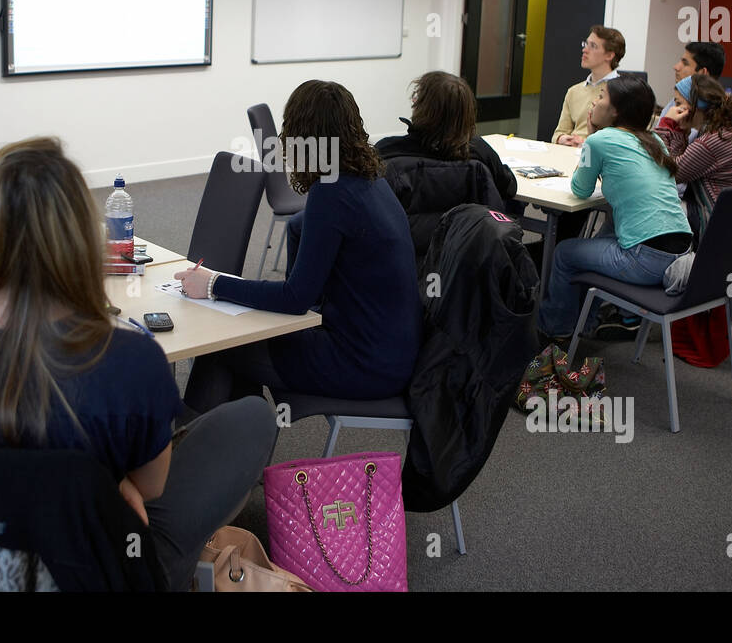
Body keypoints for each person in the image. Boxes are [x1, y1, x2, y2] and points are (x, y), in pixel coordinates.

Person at [0, 137, 277, 591]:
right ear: (80, 235)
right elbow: (150, 487)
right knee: (252, 418)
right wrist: (109, 487)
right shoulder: (131, 361)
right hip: (91, 572)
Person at [178, 80, 422, 410]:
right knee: (244, 339)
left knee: (222, 346)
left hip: (362, 363)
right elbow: (305, 272)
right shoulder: (369, 179)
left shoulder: (332, 192)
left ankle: (195, 446)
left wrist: (213, 284)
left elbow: (295, 299)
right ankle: (231, 444)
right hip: (391, 352)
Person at [538, 76, 692, 340]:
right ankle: (586, 323)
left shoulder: (600, 141)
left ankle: (556, 331)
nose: (595, 103)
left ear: (615, 111)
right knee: (609, 225)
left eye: (601, 97)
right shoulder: (655, 140)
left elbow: (580, 189)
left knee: (564, 253)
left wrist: (592, 136)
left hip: (645, 260)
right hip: (680, 253)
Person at [375, 71, 520, 255]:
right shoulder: (479, 152)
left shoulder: (388, 150)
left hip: (405, 265)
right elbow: (509, 187)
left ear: (420, 106)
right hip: (464, 265)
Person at [656, 75, 732, 237]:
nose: (674, 108)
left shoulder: (713, 141)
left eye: (678, 103)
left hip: (720, 224)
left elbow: (668, 173)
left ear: (696, 106)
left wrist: (666, 125)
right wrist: (679, 132)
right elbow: (678, 165)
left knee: (649, 210)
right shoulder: (728, 130)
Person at [551, 25, 625, 147]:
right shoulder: (574, 91)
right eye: (586, 44)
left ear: (609, 55)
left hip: (601, 155)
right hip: (570, 153)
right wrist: (562, 139)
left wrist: (588, 144)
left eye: (593, 46)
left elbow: (624, 138)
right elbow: (559, 133)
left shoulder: (623, 92)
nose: (585, 50)